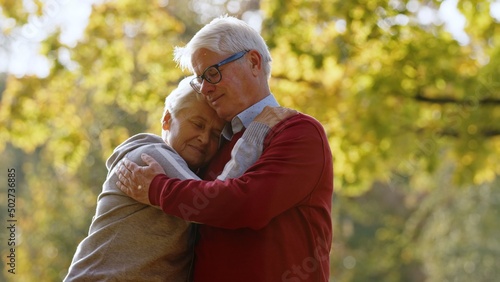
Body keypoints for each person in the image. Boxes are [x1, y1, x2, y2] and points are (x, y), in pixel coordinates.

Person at [117, 16, 333, 281]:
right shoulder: (212, 145)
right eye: (199, 79)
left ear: (253, 62)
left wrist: (156, 188)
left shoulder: (298, 132)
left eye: (212, 73)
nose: (205, 89)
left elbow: (246, 204)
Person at [64, 76, 296, 281]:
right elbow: (214, 199)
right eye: (197, 124)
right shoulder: (151, 156)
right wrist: (257, 131)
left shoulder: (187, 172)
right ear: (167, 120)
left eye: (216, 135)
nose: (204, 139)